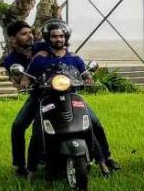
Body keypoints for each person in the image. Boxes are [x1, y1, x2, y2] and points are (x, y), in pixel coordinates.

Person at [27, 19, 118, 175]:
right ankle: (31, 169)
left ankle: (104, 160)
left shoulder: (74, 58)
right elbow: (28, 76)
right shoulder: (41, 57)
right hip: (48, 98)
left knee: (94, 124)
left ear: (66, 38)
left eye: (61, 36)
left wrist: (88, 77)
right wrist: (24, 81)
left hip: (72, 97)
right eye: (54, 36)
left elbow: (85, 72)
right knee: (38, 130)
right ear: (48, 37)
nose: (58, 39)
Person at [2, 21, 39, 177]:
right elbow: (19, 81)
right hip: (37, 95)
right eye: (24, 34)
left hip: (58, 92)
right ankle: (20, 165)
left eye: (30, 32)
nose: (29, 36)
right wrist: (23, 79)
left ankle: (104, 157)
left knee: (90, 119)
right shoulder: (10, 59)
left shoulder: (42, 48)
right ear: (12, 39)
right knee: (18, 126)